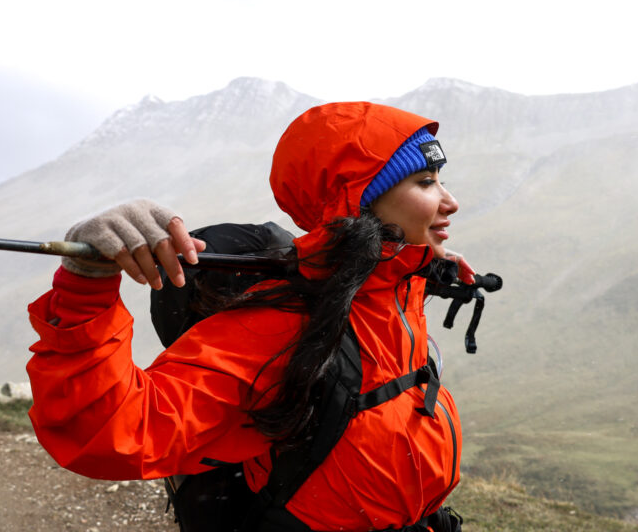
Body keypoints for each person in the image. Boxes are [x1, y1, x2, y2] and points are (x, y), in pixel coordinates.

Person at [26, 101, 475, 531]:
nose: (450, 201)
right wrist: (86, 284)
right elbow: (114, 431)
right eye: (425, 182)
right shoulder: (281, 324)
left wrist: (428, 268)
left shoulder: (387, 287)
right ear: (359, 201)